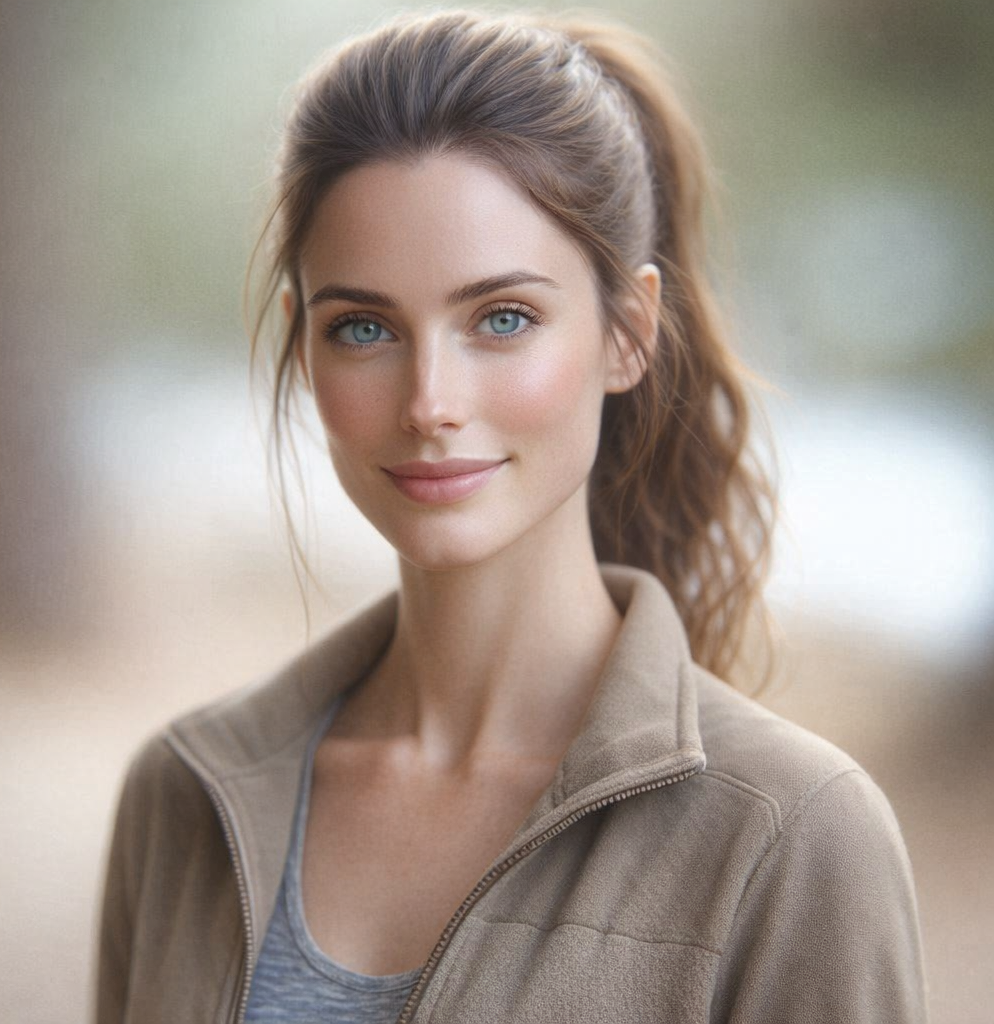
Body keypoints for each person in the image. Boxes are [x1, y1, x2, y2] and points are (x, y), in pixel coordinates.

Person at [95, 9, 927, 1023]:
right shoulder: (184, 795)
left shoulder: (792, 837)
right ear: (301, 349)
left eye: (501, 318)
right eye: (363, 327)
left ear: (627, 333)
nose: (429, 400)